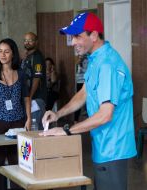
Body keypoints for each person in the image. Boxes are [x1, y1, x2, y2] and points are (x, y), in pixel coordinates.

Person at [41, 12, 136, 190]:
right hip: (102, 144)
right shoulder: (95, 59)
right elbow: (84, 93)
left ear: (93, 35)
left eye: (77, 36)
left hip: (113, 148)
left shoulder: (108, 64)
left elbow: (105, 115)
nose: (73, 42)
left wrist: (67, 130)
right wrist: (58, 114)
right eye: (72, 37)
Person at [0, 38, 31, 190]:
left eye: (6, 51)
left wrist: (29, 118)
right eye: (0, 51)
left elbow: (26, 98)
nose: (2, 55)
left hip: (18, 122)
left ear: (13, 54)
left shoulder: (21, 74)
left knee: (16, 159)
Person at [21, 32, 46, 129]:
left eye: (30, 40)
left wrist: (29, 97)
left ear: (36, 42)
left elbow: (37, 78)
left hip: (36, 99)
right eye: (25, 40)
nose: (27, 43)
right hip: (29, 99)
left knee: (35, 128)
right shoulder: (27, 57)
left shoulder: (37, 57)